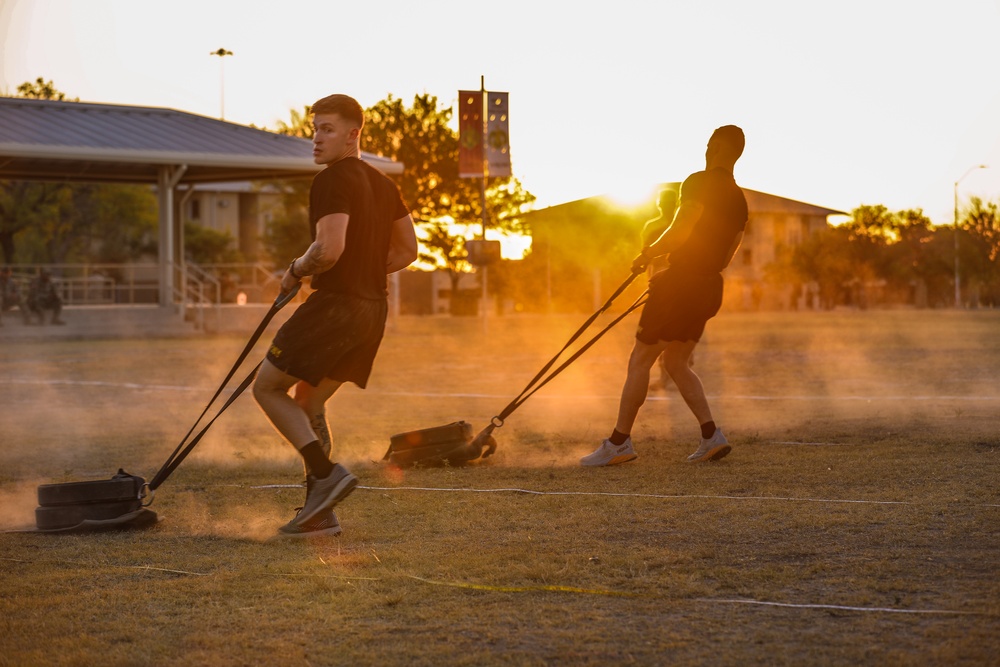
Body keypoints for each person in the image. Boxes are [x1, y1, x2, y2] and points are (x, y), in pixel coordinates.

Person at [252, 94, 418, 538]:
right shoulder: (384, 184)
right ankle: (319, 514)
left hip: (337, 306)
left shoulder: (331, 180)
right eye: (313, 129)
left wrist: (293, 271)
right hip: (371, 310)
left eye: (326, 129)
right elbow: (407, 251)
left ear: (353, 133)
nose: (315, 139)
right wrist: (362, 269)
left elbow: (328, 249)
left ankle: (325, 474)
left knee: (266, 388)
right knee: (309, 401)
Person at [581, 125, 748, 467]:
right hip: (709, 285)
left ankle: (619, 443)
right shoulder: (740, 200)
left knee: (640, 360)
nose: (705, 150)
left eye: (707, 145)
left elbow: (683, 226)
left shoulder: (698, 181)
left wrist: (650, 253)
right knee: (674, 362)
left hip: (681, 282)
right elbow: (730, 253)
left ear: (715, 147)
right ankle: (711, 436)